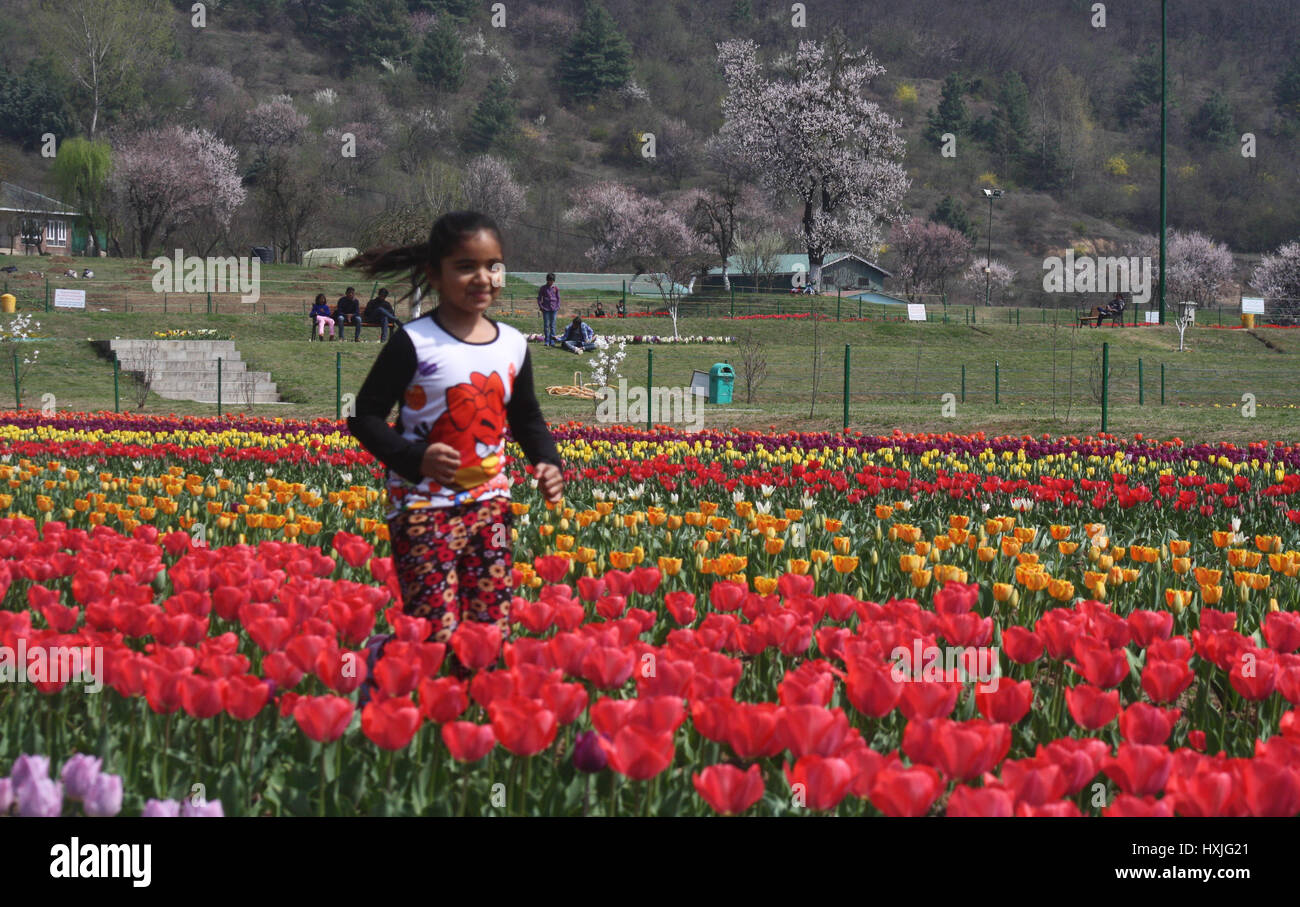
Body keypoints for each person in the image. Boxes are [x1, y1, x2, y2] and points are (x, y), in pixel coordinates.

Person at [345, 211, 565, 683]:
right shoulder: (414, 342)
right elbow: (363, 416)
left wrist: (547, 462)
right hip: (423, 507)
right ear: (435, 273)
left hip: (490, 506)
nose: (483, 278)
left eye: (494, 265)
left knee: (490, 627)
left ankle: (471, 719)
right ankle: (386, 678)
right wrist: (414, 458)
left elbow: (525, 416)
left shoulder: (511, 344)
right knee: (434, 632)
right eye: (466, 266)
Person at [537, 272, 560, 347]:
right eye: (550, 280)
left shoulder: (556, 288)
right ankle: (547, 341)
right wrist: (541, 306)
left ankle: (552, 341)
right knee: (546, 325)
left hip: (554, 309)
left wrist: (558, 306)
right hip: (546, 309)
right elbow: (539, 298)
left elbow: (558, 298)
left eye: (552, 281)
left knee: (552, 325)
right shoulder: (543, 288)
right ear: (547, 280)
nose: (551, 282)